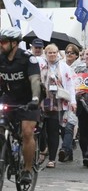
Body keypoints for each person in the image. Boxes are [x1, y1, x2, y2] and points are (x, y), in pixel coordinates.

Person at [0, 27, 41, 184]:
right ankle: (4, 157)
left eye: (3, 42)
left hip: (28, 99)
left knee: (26, 132)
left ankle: (27, 170)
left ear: (14, 43)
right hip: (8, 97)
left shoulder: (27, 58)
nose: (0, 45)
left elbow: (35, 80)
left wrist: (36, 99)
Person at [41, 44, 76, 168]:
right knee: (39, 130)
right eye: (50, 52)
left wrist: (73, 102)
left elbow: (70, 85)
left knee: (53, 131)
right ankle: (42, 149)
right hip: (41, 102)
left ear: (58, 53)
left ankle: (51, 159)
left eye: (54, 52)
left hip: (57, 103)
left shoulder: (64, 67)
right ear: (46, 53)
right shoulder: (40, 64)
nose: (52, 55)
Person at [57, 44, 82, 162]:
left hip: (78, 100)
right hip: (62, 99)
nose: (68, 55)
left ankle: (65, 149)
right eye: (67, 52)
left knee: (69, 126)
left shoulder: (81, 66)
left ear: (76, 55)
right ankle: (68, 151)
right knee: (63, 126)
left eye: (71, 53)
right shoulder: (60, 65)